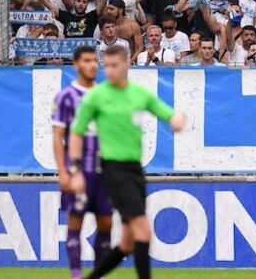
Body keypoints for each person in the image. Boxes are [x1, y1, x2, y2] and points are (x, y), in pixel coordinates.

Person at [69, 45, 187, 279]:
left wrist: (177, 119)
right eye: (107, 66)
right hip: (113, 170)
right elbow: (76, 133)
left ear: (126, 65)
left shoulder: (139, 94)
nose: (110, 70)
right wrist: (75, 169)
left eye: (115, 65)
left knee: (128, 243)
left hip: (135, 171)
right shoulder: (96, 96)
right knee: (144, 232)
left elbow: (169, 114)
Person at [52, 46, 113, 279]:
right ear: (77, 65)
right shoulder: (66, 96)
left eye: (94, 61)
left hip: (104, 170)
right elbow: (58, 137)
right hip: (79, 169)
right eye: (87, 61)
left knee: (106, 223)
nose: (92, 65)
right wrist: (63, 172)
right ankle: (76, 273)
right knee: (75, 219)